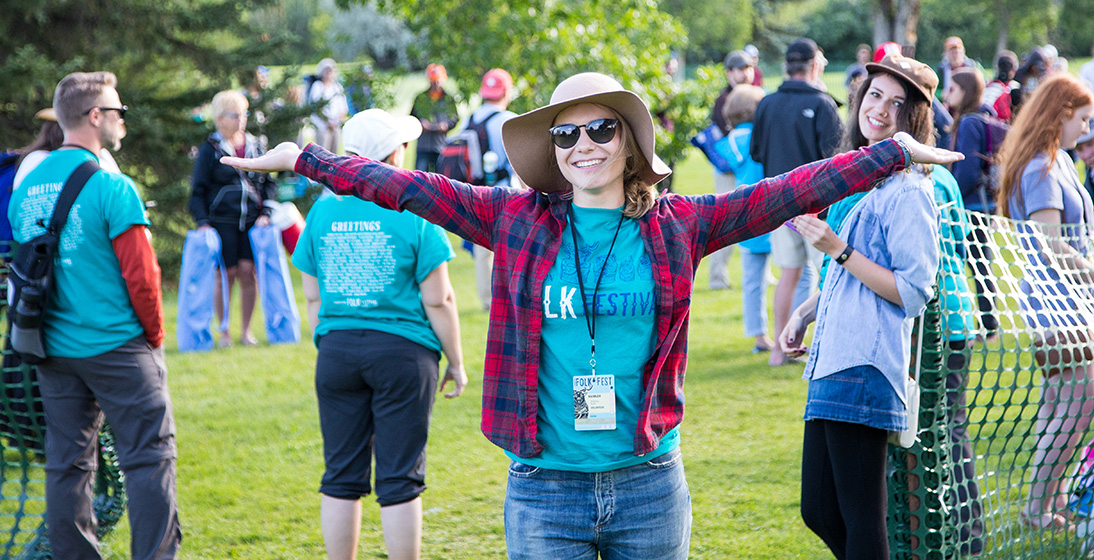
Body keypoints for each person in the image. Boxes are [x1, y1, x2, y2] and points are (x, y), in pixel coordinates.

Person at [222, 70, 961, 560]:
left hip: (648, 483)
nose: (583, 146)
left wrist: (890, 153)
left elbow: (788, 191)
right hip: (544, 488)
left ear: (629, 142)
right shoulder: (513, 219)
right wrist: (305, 159)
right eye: (567, 134)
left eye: (601, 130)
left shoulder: (681, 224)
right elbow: (406, 186)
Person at [778, 55, 950, 559]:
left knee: (861, 520)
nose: (881, 109)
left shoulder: (910, 190)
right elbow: (848, 278)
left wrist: (837, 249)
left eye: (898, 103)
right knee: (819, 511)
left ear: (914, 119)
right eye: (875, 95)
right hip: (831, 358)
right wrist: (804, 312)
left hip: (867, 363)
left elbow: (914, 291)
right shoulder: (855, 176)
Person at [8, 71, 180, 559]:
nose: (124, 120)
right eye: (118, 110)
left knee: (67, 463)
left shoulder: (27, 187)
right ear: (95, 116)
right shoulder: (111, 186)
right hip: (116, 345)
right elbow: (142, 277)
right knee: (149, 457)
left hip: (51, 349)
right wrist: (155, 337)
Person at [292, 109, 467, 560]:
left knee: (341, 477)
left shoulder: (322, 211)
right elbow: (439, 300)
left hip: (337, 351)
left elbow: (312, 299)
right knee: (400, 478)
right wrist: (458, 362)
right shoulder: (414, 212)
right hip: (404, 355)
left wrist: (329, 342)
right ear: (393, 153)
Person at [995, 73, 1094, 530]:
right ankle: (1038, 507)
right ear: (1060, 116)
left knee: (1063, 403)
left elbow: (1082, 242)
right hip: (1057, 308)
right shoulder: (1041, 169)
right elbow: (1054, 244)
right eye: (1082, 119)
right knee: (1077, 403)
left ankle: (1045, 503)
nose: (1087, 128)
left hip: (1069, 304)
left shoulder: (1058, 163)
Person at [750, 38, 842, 367]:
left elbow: (756, 152)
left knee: (788, 274)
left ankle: (779, 349)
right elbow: (837, 161)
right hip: (820, 210)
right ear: (815, 65)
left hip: (779, 206)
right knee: (831, 278)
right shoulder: (823, 104)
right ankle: (824, 350)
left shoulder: (767, 103)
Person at [188, 90, 275, 347]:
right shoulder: (210, 149)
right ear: (220, 118)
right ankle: (224, 332)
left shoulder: (256, 146)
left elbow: (269, 184)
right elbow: (198, 191)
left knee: (249, 273)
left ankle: (246, 331)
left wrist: (266, 212)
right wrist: (203, 223)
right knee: (226, 275)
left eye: (245, 114)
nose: (241, 120)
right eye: (235, 115)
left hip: (251, 221)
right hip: (221, 221)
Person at [710, 84, 773, 353]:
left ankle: (758, 336)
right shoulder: (763, 137)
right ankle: (792, 331)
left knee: (752, 281)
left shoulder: (728, 143)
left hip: (745, 216)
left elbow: (721, 159)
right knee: (802, 274)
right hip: (772, 210)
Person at [944, 67, 1004, 337]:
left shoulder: (969, 122)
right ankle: (989, 323)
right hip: (984, 204)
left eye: (952, 89)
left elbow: (966, 170)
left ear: (966, 91)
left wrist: (949, 195)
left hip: (969, 206)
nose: (946, 95)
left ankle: (985, 324)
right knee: (981, 263)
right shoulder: (983, 118)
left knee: (971, 263)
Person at [464, 68, 519, 312]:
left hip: (475, 193)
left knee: (483, 250)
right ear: (506, 91)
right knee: (514, 246)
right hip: (504, 191)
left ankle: (488, 301)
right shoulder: (509, 120)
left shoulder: (471, 118)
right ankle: (511, 297)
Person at [707, 50, 755, 291]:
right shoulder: (723, 99)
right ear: (729, 73)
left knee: (758, 218)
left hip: (751, 169)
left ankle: (760, 273)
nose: (744, 73)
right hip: (728, 170)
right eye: (739, 68)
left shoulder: (756, 94)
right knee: (725, 222)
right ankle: (717, 277)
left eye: (747, 67)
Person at [410, 64, 460, 173]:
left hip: (440, 145)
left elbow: (455, 119)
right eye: (433, 81)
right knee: (420, 178)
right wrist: (420, 124)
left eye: (438, 81)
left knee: (441, 179)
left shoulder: (448, 99)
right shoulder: (421, 98)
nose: (436, 84)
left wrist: (446, 125)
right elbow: (412, 117)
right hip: (423, 145)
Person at [310, 58, 350, 152]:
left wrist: (337, 121)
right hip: (322, 126)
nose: (329, 74)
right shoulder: (318, 86)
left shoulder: (337, 87)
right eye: (326, 71)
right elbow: (315, 107)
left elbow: (343, 107)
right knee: (323, 152)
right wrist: (328, 121)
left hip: (335, 125)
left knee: (334, 153)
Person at [981, 50, 1019, 123]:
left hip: (984, 124)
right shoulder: (1015, 88)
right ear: (1014, 70)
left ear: (996, 68)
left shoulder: (985, 85)